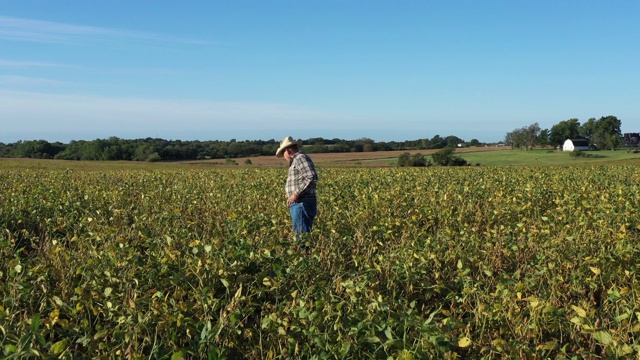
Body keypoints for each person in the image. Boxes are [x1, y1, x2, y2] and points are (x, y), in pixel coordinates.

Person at [276, 136, 318, 251]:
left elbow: (311, 176)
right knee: (301, 234)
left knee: (302, 237)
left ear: (287, 150)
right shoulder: (297, 160)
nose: (284, 157)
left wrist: (295, 194)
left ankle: (305, 262)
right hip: (299, 202)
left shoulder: (300, 158)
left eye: (283, 153)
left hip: (301, 202)